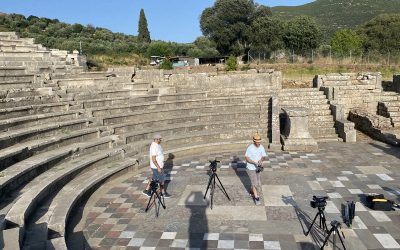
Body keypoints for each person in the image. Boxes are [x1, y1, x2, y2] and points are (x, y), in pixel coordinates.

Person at [142, 133, 171, 198]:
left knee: (154, 179)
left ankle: (147, 190)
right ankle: (162, 193)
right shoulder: (154, 147)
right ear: (156, 139)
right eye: (160, 139)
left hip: (157, 166)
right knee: (161, 180)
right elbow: (153, 159)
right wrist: (158, 167)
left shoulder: (157, 145)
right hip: (156, 167)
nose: (161, 140)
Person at [245, 132, 267, 205]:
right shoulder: (250, 148)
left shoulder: (261, 146)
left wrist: (261, 160)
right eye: (257, 142)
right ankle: (256, 198)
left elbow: (264, 156)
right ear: (254, 141)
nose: (258, 143)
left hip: (258, 167)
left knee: (258, 182)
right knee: (255, 183)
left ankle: (251, 191)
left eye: (259, 142)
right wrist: (254, 162)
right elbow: (247, 158)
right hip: (251, 168)